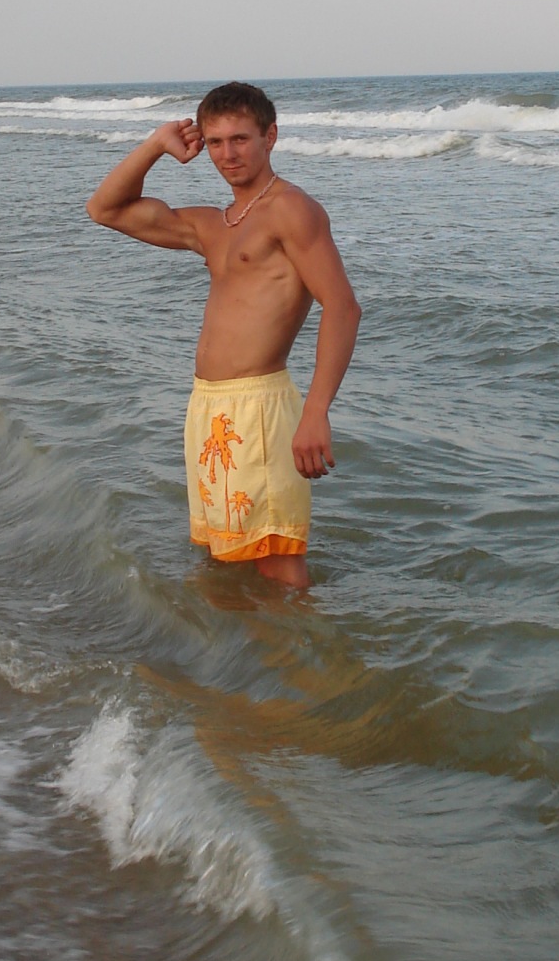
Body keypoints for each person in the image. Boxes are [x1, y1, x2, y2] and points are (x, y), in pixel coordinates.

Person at [87, 81, 361, 588]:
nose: (227, 154)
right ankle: (238, 643)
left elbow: (343, 307)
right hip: (209, 409)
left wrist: (316, 411)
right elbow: (104, 209)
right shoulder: (214, 225)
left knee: (277, 562)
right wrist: (156, 144)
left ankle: (305, 642)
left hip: (260, 411)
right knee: (224, 558)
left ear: (269, 137)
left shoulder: (291, 209)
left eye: (240, 139)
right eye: (215, 142)